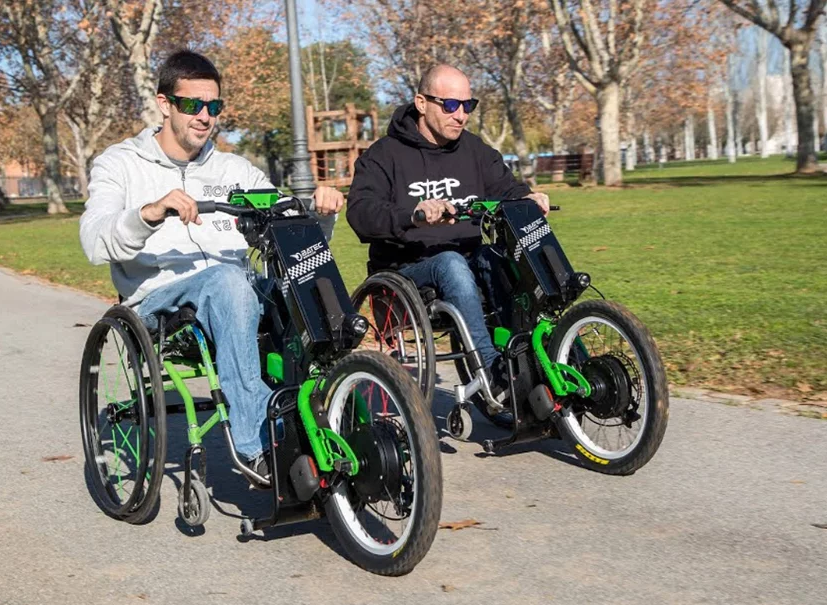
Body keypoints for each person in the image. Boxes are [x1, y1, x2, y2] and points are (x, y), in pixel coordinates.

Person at [79, 50, 344, 484]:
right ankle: (255, 446)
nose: (205, 116)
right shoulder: (120, 164)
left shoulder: (234, 170)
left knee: (304, 277)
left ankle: (335, 413)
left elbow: (290, 231)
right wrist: (148, 212)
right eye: (192, 105)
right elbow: (94, 241)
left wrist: (322, 212)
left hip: (237, 293)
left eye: (214, 106)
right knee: (228, 280)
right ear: (165, 104)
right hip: (159, 303)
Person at [346, 64, 549, 425]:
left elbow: (506, 188)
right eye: (451, 105)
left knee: (502, 256)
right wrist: (413, 214)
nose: (461, 115)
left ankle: (540, 355)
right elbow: (361, 212)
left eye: (468, 105)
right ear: (422, 103)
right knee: (451, 262)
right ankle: (492, 372)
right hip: (407, 269)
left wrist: (528, 197)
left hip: (469, 259)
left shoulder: (473, 150)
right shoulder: (383, 155)